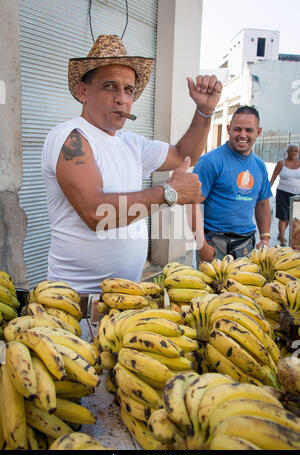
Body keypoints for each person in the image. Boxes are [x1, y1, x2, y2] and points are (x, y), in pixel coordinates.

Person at [41, 34, 222, 294]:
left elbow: (185, 154)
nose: (121, 98)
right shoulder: (70, 138)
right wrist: (168, 193)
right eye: (109, 86)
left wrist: (204, 111)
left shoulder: (132, 144)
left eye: (128, 90)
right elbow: (96, 213)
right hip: (74, 303)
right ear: (83, 91)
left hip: (125, 296)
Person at [191, 105, 272, 264]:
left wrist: (265, 238)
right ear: (228, 129)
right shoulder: (210, 162)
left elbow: (263, 203)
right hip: (214, 245)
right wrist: (202, 246)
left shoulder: (259, 166)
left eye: (249, 130)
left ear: (258, 132)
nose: (243, 135)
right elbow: (193, 204)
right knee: (211, 289)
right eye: (237, 129)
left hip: (245, 246)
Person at [269, 143, 300, 246]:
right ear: (287, 152)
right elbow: (273, 178)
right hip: (282, 193)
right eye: (291, 150)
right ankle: (282, 240)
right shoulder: (281, 163)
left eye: (295, 151)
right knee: (283, 217)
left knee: (290, 218)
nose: (293, 153)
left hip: (296, 194)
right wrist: (266, 190)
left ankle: (280, 234)